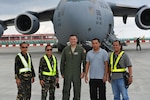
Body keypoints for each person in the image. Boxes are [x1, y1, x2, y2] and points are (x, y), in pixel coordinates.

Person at [60, 34, 86, 100]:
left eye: (74, 39)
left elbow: (84, 61)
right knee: (66, 89)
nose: (73, 41)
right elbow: (62, 62)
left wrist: (84, 71)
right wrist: (62, 72)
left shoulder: (81, 50)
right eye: (71, 39)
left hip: (77, 73)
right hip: (67, 72)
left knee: (77, 89)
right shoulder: (66, 50)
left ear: (77, 40)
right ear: (69, 40)